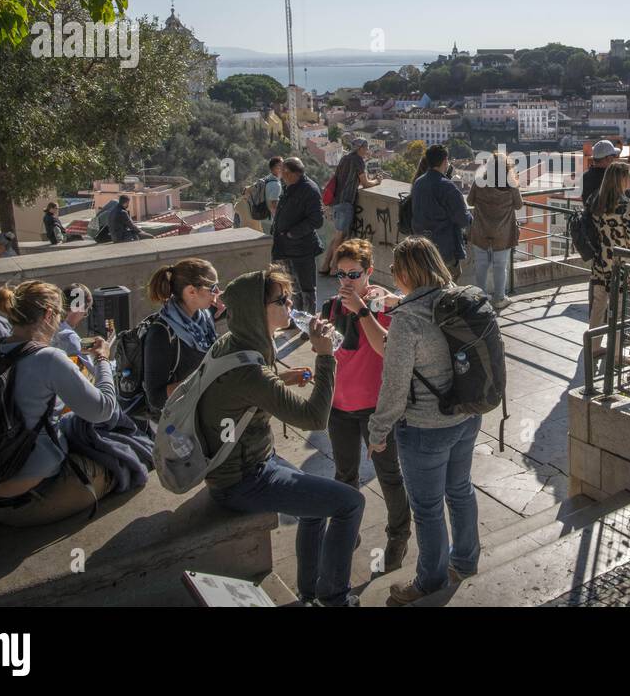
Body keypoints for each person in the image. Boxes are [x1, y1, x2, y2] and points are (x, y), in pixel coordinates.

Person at [201, 265, 365, 607]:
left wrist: (282, 380)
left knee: (315, 505)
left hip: (245, 462)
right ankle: (335, 598)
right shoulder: (250, 371)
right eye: (282, 299)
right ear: (256, 310)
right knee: (351, 502)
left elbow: (251, 389)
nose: (291, 304)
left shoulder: (234, 342)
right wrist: (324, 356)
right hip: (244, 479)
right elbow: (315, 419)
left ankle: (308, 593)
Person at [368, 236, 481, 605]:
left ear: (403, 273)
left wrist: (378, 431)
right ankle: (465, 562)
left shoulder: (406, 322)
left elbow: (395, 386)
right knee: (460, 490)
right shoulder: (461, 301)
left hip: (425, 429)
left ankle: (429, 583)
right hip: (467, 416)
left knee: (428, 508)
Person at [0, 282, 118, 527]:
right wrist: (103, 358)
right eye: (59, 314)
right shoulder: (49, 358)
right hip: (31, 500)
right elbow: (103, 410)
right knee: (123, 458)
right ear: (49, 314)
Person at [322, 239, 411, 572]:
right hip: (339, 407)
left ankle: (398, 536)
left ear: (369, 273)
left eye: (354, 274)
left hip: (376, 409)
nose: (346, 281)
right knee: (344, 475)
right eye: (341, 274)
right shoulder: (330, 307)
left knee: (389, 476)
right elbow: (330, 354)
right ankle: (348, 532)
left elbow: (382, 350)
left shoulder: (380, 304)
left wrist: (362, 306)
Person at [143, 258, 226, 419]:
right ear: (191, 291)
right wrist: (205, 378)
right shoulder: (161, 333)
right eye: (213, 288)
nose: (218, 292)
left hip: (204, 410)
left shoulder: (204, 317)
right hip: (179, 421)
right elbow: (156, 398)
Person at [588, 161, 630, 361]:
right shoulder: (626, 205)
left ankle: (593, 347)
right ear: (621, 179)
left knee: (599, 306)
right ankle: (617, 354)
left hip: (600, 261)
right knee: (617, 310)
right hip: (619, 263)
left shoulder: (596, 199)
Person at [467, 150, 523, 310]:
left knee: (481, 266)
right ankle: (499, 298)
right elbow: (519, 205)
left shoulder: (479, 182)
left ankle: (480, 298)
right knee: (500, 266)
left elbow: (470, 200)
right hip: (502, 234)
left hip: (481, 232)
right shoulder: (511, 186)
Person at [409, 144, 472, 280]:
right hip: (444, 247)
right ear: (445, 161)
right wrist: (470, 219)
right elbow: (462, 219)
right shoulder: (447, 186)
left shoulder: (418, 183)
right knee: (448, 282)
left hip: (422, 246)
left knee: (428, 284)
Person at [270, 156, 324, 313]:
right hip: (286, 248)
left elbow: (316, 221)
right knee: (292, 286)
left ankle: (309, 323)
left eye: (283, 172)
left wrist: (293, 234)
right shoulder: (289, 186)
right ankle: (296, 317)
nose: (281, 176)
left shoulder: (310, 190)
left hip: (302, 248)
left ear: (291, 173)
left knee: (307, 288)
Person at [321, 138, 381, 275]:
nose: (367, 151)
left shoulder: (345, 158)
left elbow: (343, 179)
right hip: (346, 202)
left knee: (337, 236)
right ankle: (334, 268)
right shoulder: (358, 160)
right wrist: (377, 181)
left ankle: (325, 266)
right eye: (366, 148)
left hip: (337, 201)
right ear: (360, 148)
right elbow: (365, 183)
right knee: (341, 237)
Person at [580, 139, 630, 207]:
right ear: (608, 158)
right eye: (613, 156)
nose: (614, 160)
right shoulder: (612, 178)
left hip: (589, 217)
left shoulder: (584, 176)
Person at [52, 283, 95, 374]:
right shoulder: (69, 337)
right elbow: (94, 372)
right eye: (85, 312)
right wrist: (103, 356)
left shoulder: (47, 328)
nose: (83, 317)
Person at [259, 156, 284, 236]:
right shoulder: (276, 185)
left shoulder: (266, 179)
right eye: (282, 165)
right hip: (271, 222)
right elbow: (273, 206)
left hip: (262, 219)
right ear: (276, 168)